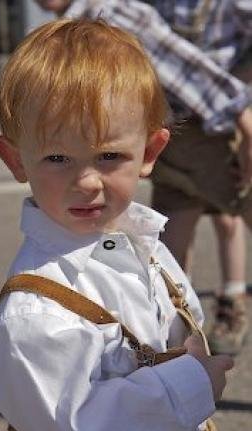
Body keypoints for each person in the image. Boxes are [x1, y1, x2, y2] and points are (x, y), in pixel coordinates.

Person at [0, 18, 234, 431]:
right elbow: (76, 425)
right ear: (16, 161)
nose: (87, 181)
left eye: (110, 156)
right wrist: (191, 382)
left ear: (151, 150)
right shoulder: (37, 308)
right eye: (57, 159)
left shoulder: (144, 243)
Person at [33, 0, 252, 356]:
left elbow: (185, 67)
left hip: (206, 133)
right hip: (175, 136)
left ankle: (211, 315)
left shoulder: (110, 16)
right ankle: (172, 344)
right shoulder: (70, 32)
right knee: (167, 236)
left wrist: (241, 110)